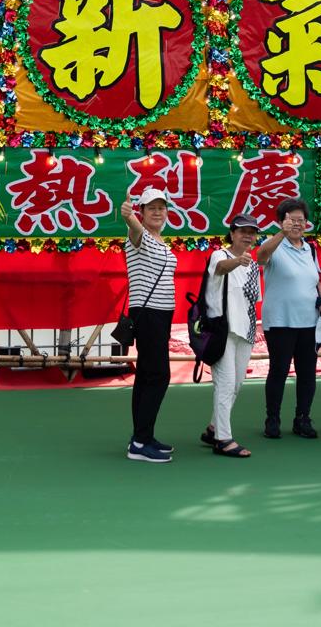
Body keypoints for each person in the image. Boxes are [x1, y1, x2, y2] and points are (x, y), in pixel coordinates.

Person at [256, 199, 321, 439]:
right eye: (291, 219)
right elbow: (260, 257)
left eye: (301, 220)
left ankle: (302, 418)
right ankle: (272, 418)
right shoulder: (273, 246)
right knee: (279, 370)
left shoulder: (310, 249)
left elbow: (316, 279)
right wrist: (280, 234)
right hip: (280, 321)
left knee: (307, 373)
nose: (297, 224)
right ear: (281, 221)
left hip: (309, 321)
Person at [201, 212, 263, 458]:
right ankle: (223, 439)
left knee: (236, 383)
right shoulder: (221, 255)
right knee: (225, 384)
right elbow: (219, 268)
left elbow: (252, 301)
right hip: (222, 330)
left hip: (245, 330)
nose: (247, 236)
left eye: (252, 232)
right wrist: (238, 261)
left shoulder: (253, 264)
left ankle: (213, 428)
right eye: (242, 231)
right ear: (233, 234)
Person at [121, 191, 177, 463]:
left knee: (146, 375)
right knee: (158, 375)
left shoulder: (162, 242)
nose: (157, 212)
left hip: (161, 314)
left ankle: (143, 435)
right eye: (151, 208)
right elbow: (133, 228)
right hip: (148, 313)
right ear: (141, 211)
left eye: (161, 207)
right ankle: (140, 443)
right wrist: (129, 215)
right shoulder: (137, 237)